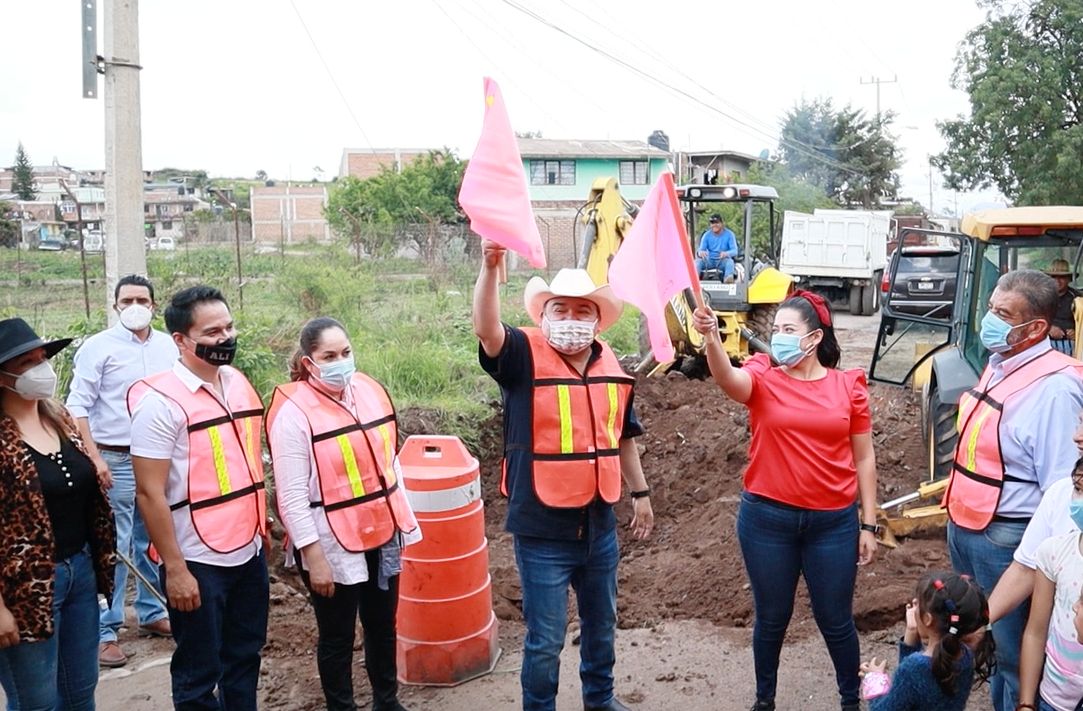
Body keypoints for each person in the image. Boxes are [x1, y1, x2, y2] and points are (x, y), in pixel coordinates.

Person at [472, 241, 654, 711]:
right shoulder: (521, 356)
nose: (571, 318)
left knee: (601, 626)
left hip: (599, 526)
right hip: (542, 530)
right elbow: (486, 329)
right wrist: (491, 268)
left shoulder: (612, 365)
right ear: (544, 314)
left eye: (581, 309)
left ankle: (601, 699)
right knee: (545, 639)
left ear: (597, 319)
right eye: (561, 308)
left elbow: (623, 436)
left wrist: (642, 493)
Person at [691, 289, 879, 711]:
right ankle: (765, 701)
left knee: (836, 621)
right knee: (772, 620)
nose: (778, 338)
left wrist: (869, 523)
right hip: (767, 522)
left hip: (833, 524)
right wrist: (711, 341)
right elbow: (727, 379)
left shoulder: (848, 387)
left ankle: (852, 701)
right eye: (776, 330)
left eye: (788, 330)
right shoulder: (762, 376)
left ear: (813, 339)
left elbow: (864, 458)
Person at [943, 269, 1083, 711]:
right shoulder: (1000, 362)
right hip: (967, 525)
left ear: (1036, 326)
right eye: (990, 309)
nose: (991, 321)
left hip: (1007, 537)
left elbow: (1063, 489)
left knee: (1013, 654)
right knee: (987, 638)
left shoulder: (1057, 389)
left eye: (1003, 314)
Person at [266, 317, 420, 711]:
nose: (341, 363)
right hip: (331, 541)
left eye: (346, 353)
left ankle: (387, 701)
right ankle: (342, 706)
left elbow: (390, 462)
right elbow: (292, 495)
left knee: (382, 625)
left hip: (382, 530)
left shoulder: (368, 391)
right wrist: (313, 557)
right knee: (336, 636)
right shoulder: (294, 413)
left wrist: (405, 521)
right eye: (329, 356)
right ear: (307, 362)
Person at [130, 285, 269, 710]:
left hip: (249, 549)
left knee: (244, 657)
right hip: (197, 558)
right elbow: (149, 492)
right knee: (198, 670)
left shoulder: (238, 382)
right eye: (212, 332)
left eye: (229, 327)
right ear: (180, 340)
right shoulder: (160, 404)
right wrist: (175, 569)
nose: (225, 338)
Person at [0, 317, 117, 709]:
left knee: (80, 691)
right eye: (25, 363)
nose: (40, 369)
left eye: (41, 358)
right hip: (23, 589)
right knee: (37, 702)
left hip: (79, 573)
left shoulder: (59, 418)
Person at [66, 274, 177, 668]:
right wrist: (94, 459)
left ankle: (151, 613)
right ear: (115, 306)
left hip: (158, 458)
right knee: (115, 544)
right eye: (126, 300)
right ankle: (106, 630)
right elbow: (77, 407)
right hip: (114, 457)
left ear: (153, 303)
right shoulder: (99, 348)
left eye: (141, 299)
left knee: (154, 537)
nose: (135, 306)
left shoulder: (168, 346)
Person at [859, 571, 995, 711]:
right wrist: (912, 632)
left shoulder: (912, 670)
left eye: (918, 605)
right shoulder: (965, 656)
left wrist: (875, 680)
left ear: (927, 619)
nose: (914, 606)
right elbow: (916, 686)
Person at [1017, 464, 1083, 711]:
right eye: (1078, 489)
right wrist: (1026, 703)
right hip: (1054, 699)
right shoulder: (1054, 552)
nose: (1079, 500)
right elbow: (1035, 631)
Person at [1045, 259, 1079, 355]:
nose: (1057, 281)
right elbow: (1029, 320)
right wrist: (1049, 329)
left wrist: (1077, 333)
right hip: (1044, 344)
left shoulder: (1077, 298)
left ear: (1069, 279)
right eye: (1054, 277)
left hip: (1072, 347)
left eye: (1062, 277)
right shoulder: (1040, 297)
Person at [694, 214, 738, 282]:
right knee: (698, 262)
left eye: (717, 223)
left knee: (730, 262)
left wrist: (726, 253)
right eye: (712, 223)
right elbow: (700, 250)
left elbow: (735, 251)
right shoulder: (706, 235)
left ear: (722, 223)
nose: (714, 225)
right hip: (709, 260)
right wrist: (701, 253)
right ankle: (694, 281)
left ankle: (728, 279)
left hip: (722, 260)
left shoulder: (729, 235)